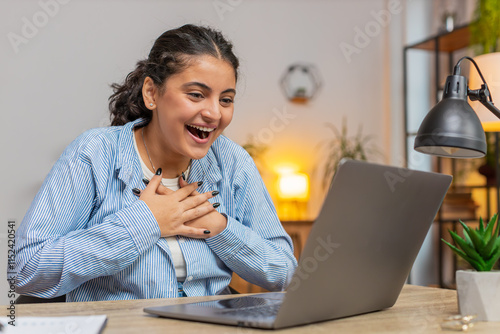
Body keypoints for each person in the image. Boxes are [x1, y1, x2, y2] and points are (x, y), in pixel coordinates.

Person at [14, 24, 297, 302]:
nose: (213, 113)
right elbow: (25, 270)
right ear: (152, 93)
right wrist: (146, 222)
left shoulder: (233, 162)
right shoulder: (94, 153)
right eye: (196, 94)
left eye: (226, 100)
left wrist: (218, 225)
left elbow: (284, 271)